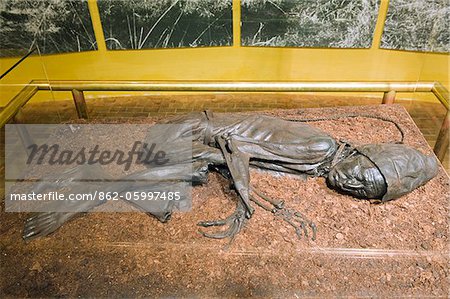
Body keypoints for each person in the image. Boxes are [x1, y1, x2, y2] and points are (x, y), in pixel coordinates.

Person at [23, 111, 438, 241]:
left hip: (201, 145)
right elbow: (237, 149)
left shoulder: (319, 165)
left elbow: (240, 157)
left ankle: (89, 181)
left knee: (172, 196)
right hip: (180, 135)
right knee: (196, 170)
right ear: (367, 154)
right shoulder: (319, 148)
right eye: (367, 175)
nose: (355, 186)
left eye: (368, 192)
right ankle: (86, 186)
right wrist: (244, 202)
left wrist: (251, 192)